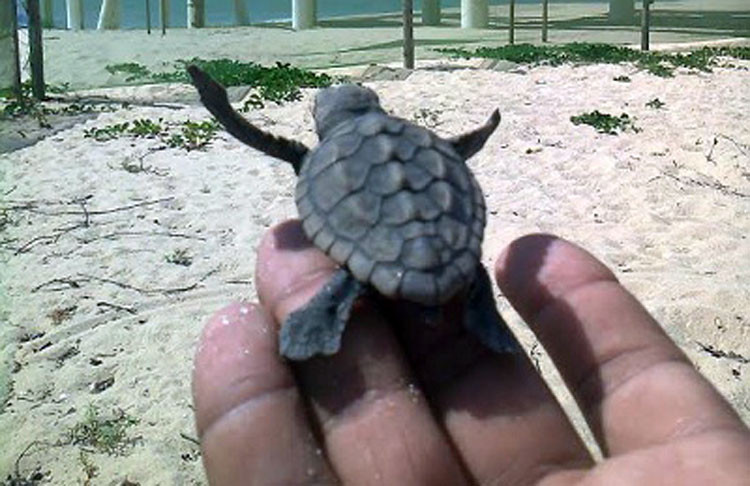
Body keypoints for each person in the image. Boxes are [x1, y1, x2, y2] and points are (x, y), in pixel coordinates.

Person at [192, 221, 750, 485]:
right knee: (464, 275)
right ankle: (475, 315)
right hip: (451, 260)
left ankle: (332, 312)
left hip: (378, 258)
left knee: (355, 279)